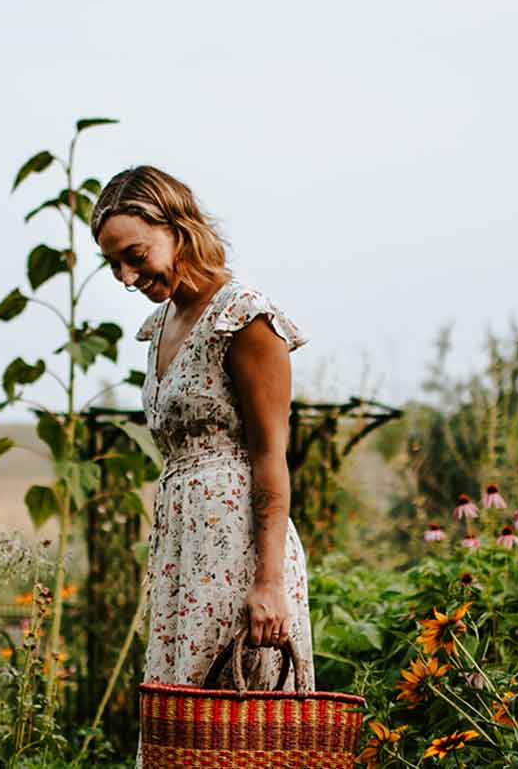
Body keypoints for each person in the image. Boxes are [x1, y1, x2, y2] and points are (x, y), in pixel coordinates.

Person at [90, 165, 313, 694]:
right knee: (183, 717)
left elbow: (270, 456)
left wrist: (269, 583)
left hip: (239, 550)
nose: (126, 277)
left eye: (135, 255)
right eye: (113, 264)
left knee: (238, 717)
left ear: (178, 228)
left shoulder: (244, 319)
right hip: (183, 551)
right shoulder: (161, 324)